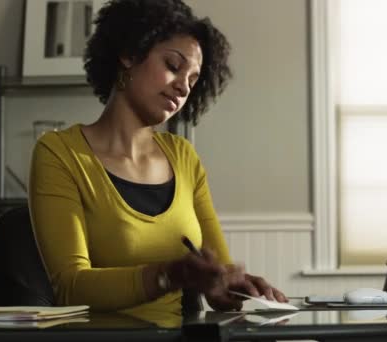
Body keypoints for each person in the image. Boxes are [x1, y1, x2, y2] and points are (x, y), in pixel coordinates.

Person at [28, 0, 287, 317]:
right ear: (129, 54)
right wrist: (169, 275)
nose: (183, 87)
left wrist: (234, 287)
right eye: (173, 66)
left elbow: (218, 280)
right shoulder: (59, 154)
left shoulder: (183, 157)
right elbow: (71, 287)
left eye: (193, 80)